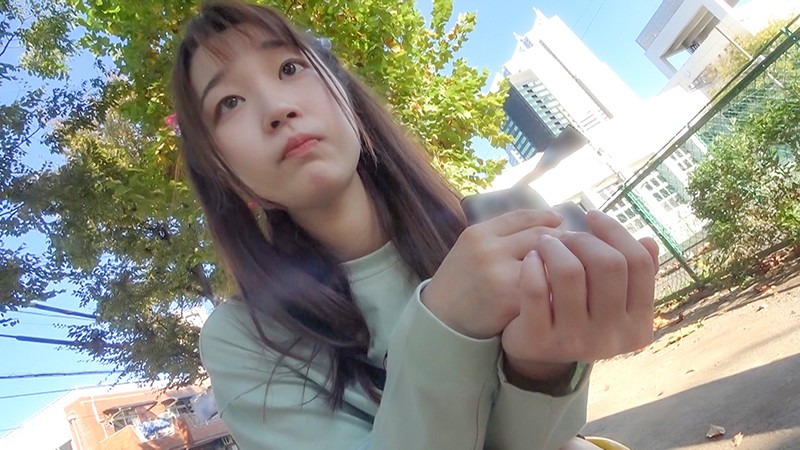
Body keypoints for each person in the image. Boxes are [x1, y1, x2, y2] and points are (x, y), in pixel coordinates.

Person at [170, 1, 659, 449]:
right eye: (229, 103)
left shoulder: (492, 233)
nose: (277, 109)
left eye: (289, 68)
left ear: (343, 93)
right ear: (223, 172)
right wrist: (446, 324)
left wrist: (539, 367)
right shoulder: (243, 340)